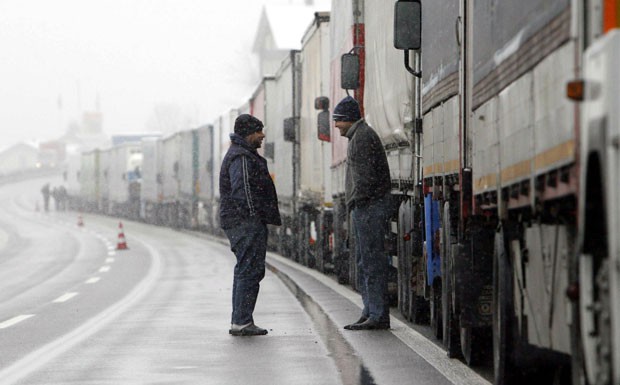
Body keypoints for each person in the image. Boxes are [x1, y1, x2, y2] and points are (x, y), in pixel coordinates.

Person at [219, 114, 282, 336]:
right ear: (248, 133)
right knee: (248, 269)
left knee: (249, 269)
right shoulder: (241, 158)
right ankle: (242, 321)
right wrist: (254, 216)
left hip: (242, 221)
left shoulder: (243, 154)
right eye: (259, 131)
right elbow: (243, 189)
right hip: (244, 222)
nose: (262, 135)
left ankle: (242, 320)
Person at [334, 96, 392, 331]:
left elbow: (365, 178)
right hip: (366, 207)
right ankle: (370, 310)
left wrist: (358, 202)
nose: (336, 126)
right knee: (365, 261)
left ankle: (377, 314)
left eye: (338, 121)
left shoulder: (362, 138)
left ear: (348, 119)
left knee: (371, 262)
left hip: (368, 207)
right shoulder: (359, 136)